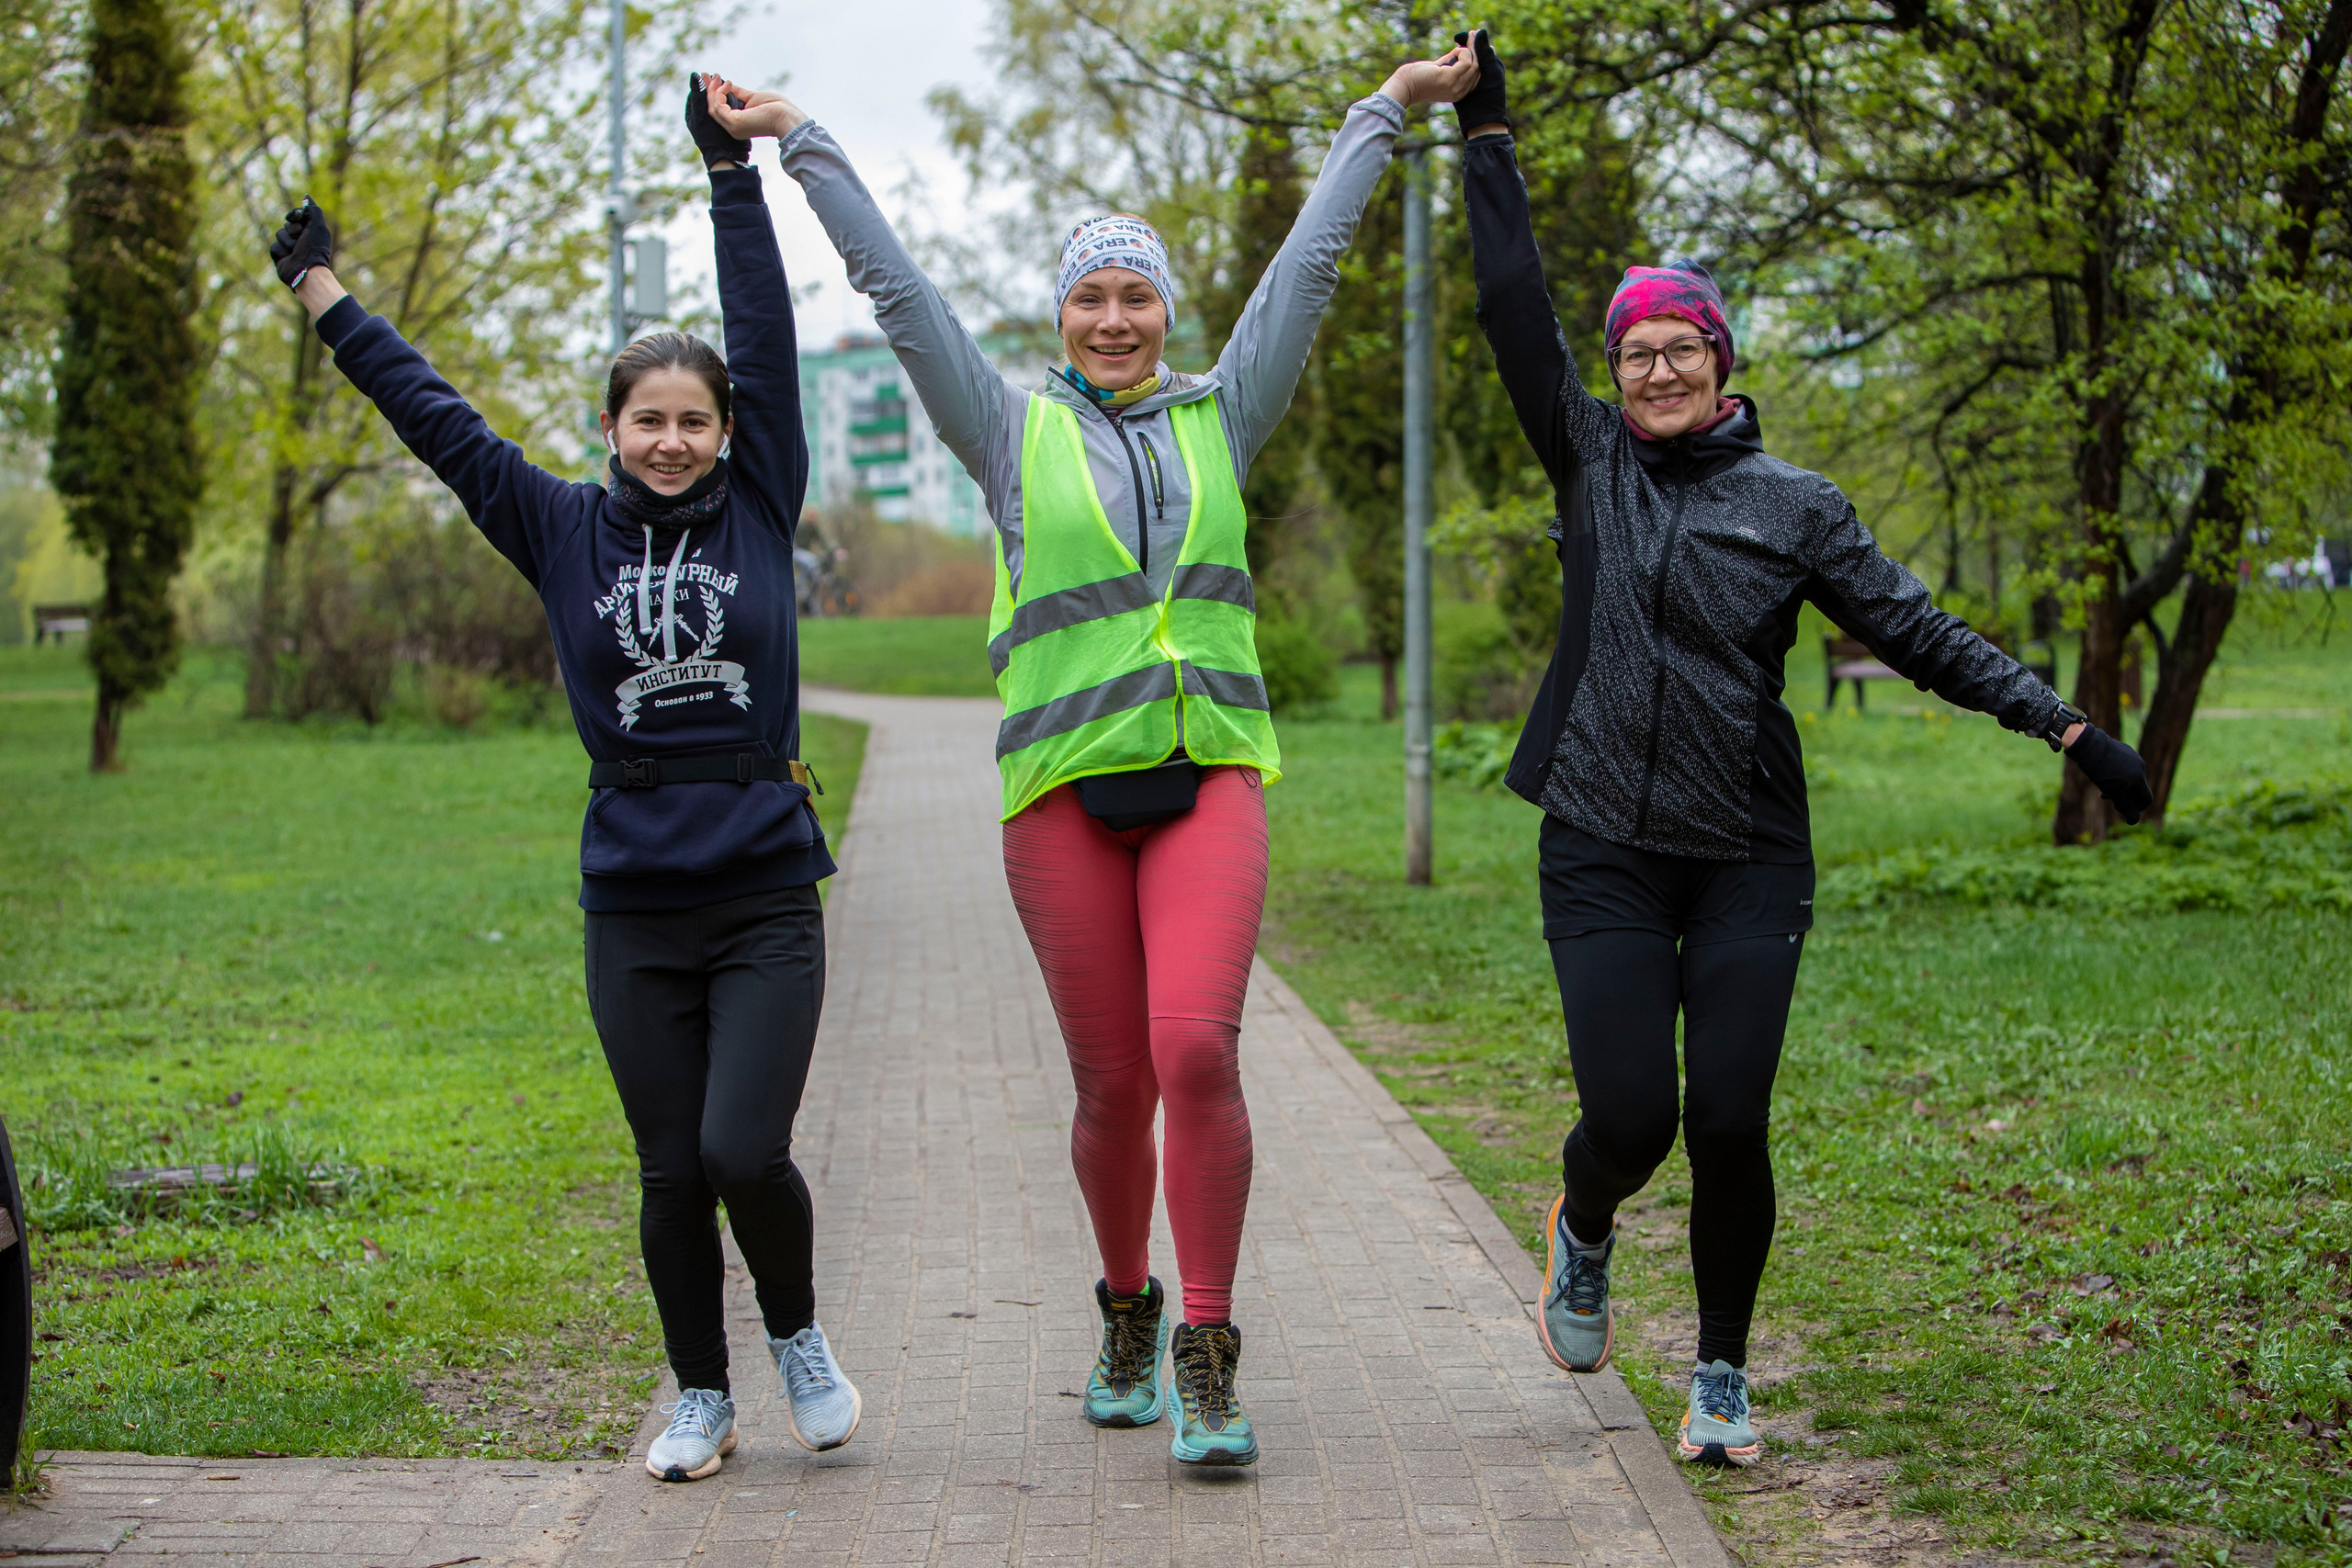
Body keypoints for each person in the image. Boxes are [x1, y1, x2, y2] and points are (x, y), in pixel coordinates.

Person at [697, 47, 1477, 1466]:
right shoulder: (1008, 430)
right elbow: (898, 294)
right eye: (1091, 295)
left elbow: (1306, 273)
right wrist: (802, 138)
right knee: (1114, 1085)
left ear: (1165, 313)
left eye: (1137, 296)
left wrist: (1390, 113)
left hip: (1209, 778)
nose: (1115, 318)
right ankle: (1127, 1307)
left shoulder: (1222, 414)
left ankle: (1209, 1354)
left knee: (1197, 1051)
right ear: (1061, 312)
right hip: (1059, 796)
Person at [1444, 33, 2151, 1466]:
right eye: (1635, 349)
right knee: (1633, 1113)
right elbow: (1516, 308)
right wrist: (1490, 135)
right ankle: (1585, 1219)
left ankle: (1719, 1374)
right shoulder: (1587, 460)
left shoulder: (1796, 504)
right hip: (1600, 842)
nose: (1652, 369)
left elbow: (1920, 630)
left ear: (1724, 363)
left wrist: (2068, 726)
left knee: (1735, 1119)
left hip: (1750, 854)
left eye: (1679, 348)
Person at [264, 76, 866, 1483]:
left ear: (726, 433)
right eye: (646, 419)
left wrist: (731, 176)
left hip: (768, 885)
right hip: (634, 903)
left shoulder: (766, 499)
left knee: (739, 1150)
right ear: (612, 430)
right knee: (667, 1171)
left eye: (693, 420)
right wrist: (324, 293)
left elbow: (764, 334)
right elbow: (435, 416)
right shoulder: (555, 530)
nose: (671, 439)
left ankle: (799, 1337)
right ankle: (701, 1398)